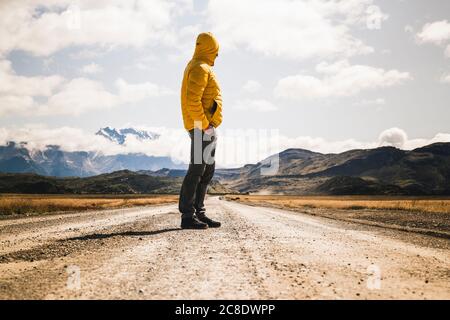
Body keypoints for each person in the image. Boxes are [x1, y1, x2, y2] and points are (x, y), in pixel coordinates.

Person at [178, 32, 223, 230]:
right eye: (216, 51)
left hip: (205, 127)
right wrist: (204, 125)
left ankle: (199, 212)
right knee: (197, 170)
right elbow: (192, 100)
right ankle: (187, 216)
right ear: (209, 49)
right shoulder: (198, 67)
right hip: (201, 128)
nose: (217, 56)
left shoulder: (199, 66)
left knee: (206, 171)